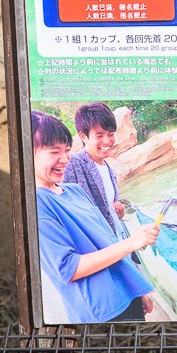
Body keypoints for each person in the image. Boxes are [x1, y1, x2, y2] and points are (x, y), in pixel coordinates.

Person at [31, 111, 157, 322]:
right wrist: (132, 243)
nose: (65, 159)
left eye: (67, 150)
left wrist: (138, 288)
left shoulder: (74, 190)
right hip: (103, 312)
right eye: (54, 152)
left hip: (127, 294)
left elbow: (108, 239)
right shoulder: (36, 204)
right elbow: (69, 268)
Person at [64, 103, 126, 232]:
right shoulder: (73, 163)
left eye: (110, 134)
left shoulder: (108, 168)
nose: (107, 141)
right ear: (83, 137)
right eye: (99, 135)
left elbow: (107, 211)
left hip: (116, 240)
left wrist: (118, 213)